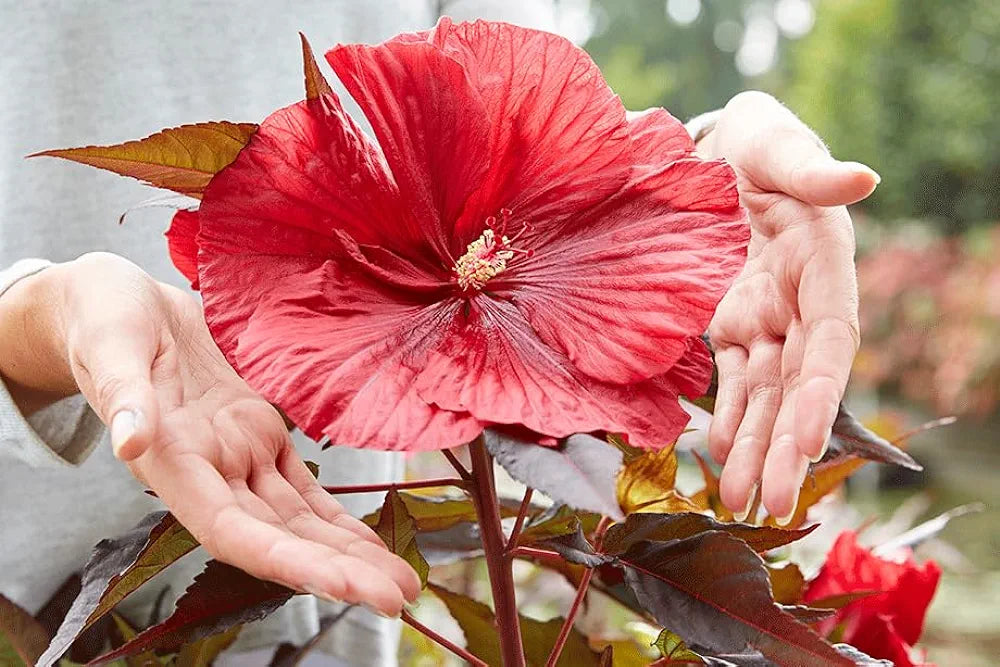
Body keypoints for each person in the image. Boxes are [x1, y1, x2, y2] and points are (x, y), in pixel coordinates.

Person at [0, 1, 876, 664]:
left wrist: (704, 175)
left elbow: (548, 128)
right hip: (35, 610)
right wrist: (36, 322)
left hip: (344, 598)